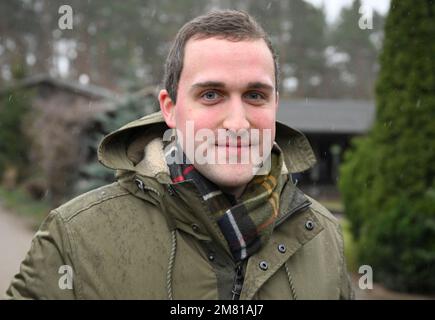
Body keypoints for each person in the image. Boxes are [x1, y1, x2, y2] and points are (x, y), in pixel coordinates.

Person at [6, 10, 354, 300]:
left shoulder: (322, 236)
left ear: (275, 104)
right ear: (170, 109)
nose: (237, 123)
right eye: (211, 95)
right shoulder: (75, 238)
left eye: (255, 95)